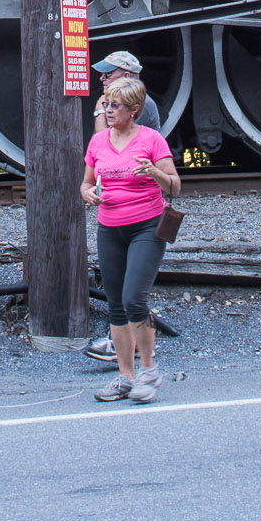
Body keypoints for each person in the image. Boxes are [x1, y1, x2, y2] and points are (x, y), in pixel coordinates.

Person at [82, 74, 179, 405]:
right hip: (109, 228)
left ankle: (148, 371)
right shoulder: (98, 142)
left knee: (134, 299)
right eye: (106, 104)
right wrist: (87, 194)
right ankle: (125, 377)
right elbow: (86, 182)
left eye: (115, 105)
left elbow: (175, 186)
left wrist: (153, 172)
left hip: (146, 228)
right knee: (115, 304)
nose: (108, 110)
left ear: (134, 109)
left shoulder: (151, 140)